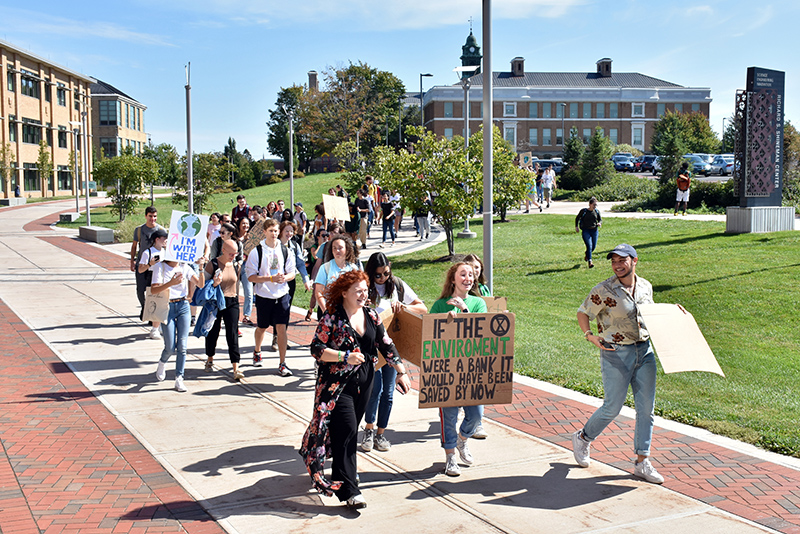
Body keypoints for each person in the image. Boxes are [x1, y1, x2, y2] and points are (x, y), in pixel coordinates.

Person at [299, 270, 411, 509]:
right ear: (344, 293)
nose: (363, 294)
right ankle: (349, 488)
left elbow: (385, 343)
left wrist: (400, 370)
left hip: (365, 382)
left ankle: (340, 471)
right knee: (349, 430)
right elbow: (317, 348)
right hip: (336, 387)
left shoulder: (371, 315)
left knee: (345, 433)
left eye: (364, 289)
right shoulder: (332, 317)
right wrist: (344, 356)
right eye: (357, 291)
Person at [572, 243, 669, 485]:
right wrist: (589, 335)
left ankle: (641, 462)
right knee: (612, 407)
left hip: (644, 352)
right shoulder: (604, 290)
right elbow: (583, 313)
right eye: (614, 260)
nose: (617, 264)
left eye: (622, 260)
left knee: (646, 409)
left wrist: (674, 314)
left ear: (634, 260)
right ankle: (583, 437)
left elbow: (652, 315)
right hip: (616, 353)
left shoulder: (645, 286)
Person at [360, 253, 426, 453]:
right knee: (375, 391)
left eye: (385, 273)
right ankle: (369, 430)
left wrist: (404, 307)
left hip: (392, 347)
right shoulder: (364, 286)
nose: (382, 278)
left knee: (388, 394)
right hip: (371, 347)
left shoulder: (396, 285)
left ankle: (381, 433)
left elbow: (421, 308)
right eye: (378, 275)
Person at [430, 262, 488, 476]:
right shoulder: (439, 306)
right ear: (453, 279)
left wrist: (463, 311)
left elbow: (482, 331)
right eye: (463, 274)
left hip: (472, 369)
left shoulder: (478, 303)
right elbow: (430, 335)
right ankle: (450, 457)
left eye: (471, 275)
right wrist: (446, 323)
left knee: (476, 414)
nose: (468, 278)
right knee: (449, 415)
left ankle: (463, 439)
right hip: (446, 370)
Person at [245, 218, 295, 376]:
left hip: (281, 295)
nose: (274, 234)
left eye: (276, 230)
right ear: (265, 232)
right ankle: (257, 351)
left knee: (281, 329)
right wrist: (270, 279)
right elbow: (251, 277)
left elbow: (292, 273)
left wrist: (284, 278)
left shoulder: (285, 250)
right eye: (271, 231)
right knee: (262, 327)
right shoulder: (257, 251)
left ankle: (282, 363)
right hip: (264, 295)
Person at [150, 255, 205, 392]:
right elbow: (154, 289)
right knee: (170, 347)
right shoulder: (160, 267)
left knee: (182, 345)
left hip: (183, 306)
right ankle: (162, 362)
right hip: (167, 306)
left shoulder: (184, 267)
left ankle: (179, 378)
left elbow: (201, 284)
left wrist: (201, 268)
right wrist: (171, 283)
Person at [203, 240, 244, 381]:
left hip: (232, 301)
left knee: (232, 333)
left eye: (236, 253)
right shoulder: (213, 264)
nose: (233, 256)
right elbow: (202, 284)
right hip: (215, 301)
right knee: (213, 331)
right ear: (223, 250)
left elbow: (238, 282)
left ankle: (235, 367)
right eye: (231, 253)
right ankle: (209, 359)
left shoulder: (236, 265)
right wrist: (214, 283)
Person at [314, 234, 361, 317]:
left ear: (347, 249)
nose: (337, 251)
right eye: (334, 248)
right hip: (329, 310)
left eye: (340, 248)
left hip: (348, 312)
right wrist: (326, 311)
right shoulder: (325, 268)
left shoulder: (353, 269)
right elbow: (319, 292)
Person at [130, 206, 164, 323]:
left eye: (154, 216)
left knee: (152, 291)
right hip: (142, 265)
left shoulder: (160, 230)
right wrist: (132, 261)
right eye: (150, 216)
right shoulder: (139, 230)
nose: (152, 219)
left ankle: (151, 314)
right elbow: (134, 246)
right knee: (140, 290)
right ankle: (144, 307)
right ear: (145, 216)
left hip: (156, 267)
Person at [138, 228, 168, 339]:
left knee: (164, 303)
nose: (166, 240)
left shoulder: (166, 251)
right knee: (157, 304)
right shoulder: (148, 252)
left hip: (164, 279)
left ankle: (159, 326)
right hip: (153, 279)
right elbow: (141, 269)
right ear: (157, 239)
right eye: (164, 238)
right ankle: (154, 329)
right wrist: (150, 264)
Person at [236, 217, 254, 326]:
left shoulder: (252, 238)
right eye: (243, 223)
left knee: (249, 293)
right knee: (235, 294)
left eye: (247, 224)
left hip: (248, 268)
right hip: (236, 267)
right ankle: (234, 315)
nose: (245, 226)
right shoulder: (234, 237)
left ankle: (246, 316)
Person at [575, 197, 602, 268]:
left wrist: (599, 223)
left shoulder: (596, 211)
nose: (595, 206)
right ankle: (590, 261)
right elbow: (577, 218)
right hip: (586, 230)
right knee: (589, 245)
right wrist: (576, 226)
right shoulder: (584, 211)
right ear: (590, 204)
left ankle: (587, 254)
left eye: (596, 205)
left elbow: (600, 220)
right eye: (594, 205)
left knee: (593, 247)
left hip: (594, 231)